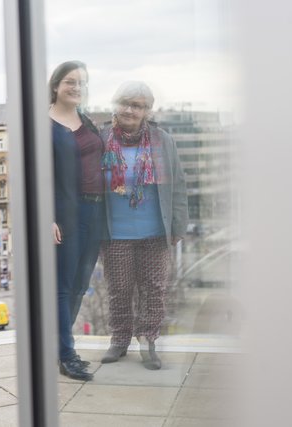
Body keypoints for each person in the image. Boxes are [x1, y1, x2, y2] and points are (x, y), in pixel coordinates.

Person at [100, 81, 187, 370]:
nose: (129, 110)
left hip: (155, 231)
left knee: (154, 289)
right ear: (115, 105)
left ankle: (149, 341)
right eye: (124, 103)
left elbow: (178, 186)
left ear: (147, 111)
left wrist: (178, 226)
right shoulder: (101, 139)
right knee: (119, 289)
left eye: (137, 105)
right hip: (116, 232)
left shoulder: (163, 140)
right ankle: (120, 340)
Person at [49, 61, 105, 381]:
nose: (76, 87)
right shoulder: (43, 124)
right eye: (70, 81)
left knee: (81, 285)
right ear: (56, 85)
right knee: (64, 286)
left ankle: (59, 346)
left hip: (95, 212)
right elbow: (35, 175)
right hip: (66, 215)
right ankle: (66, 354)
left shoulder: (87, 121)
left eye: (82, 82)